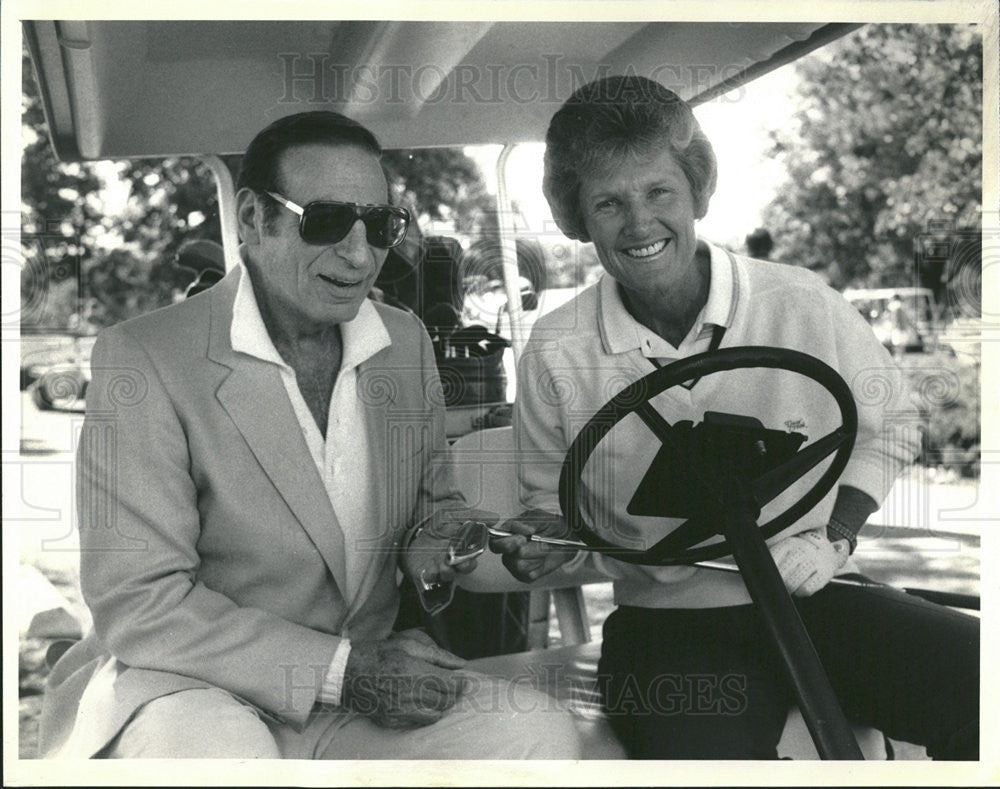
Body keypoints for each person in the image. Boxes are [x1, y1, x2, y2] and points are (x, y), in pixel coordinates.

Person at [39, 111, 581, 760]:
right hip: (191, 690)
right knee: (222, 753)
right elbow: (139, 601)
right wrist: (346, 671)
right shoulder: (144, 359)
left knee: (537, 735)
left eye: (380, 226)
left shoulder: (403, 343)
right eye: (325, 220)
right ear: (251, 219)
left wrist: (456, 540)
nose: (358, 255)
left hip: (353, 693)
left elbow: (433, 507)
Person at [490, 76, 979, 760]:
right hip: (666, 627)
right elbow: (551, 506)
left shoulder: (800, 302)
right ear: (577, 218)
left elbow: (892, 422)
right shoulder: (557, 348)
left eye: (659, 192)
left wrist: (833, 537)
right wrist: (538, 541)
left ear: (696, 190)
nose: (639, 224)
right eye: (608, 203)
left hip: (817, 594)